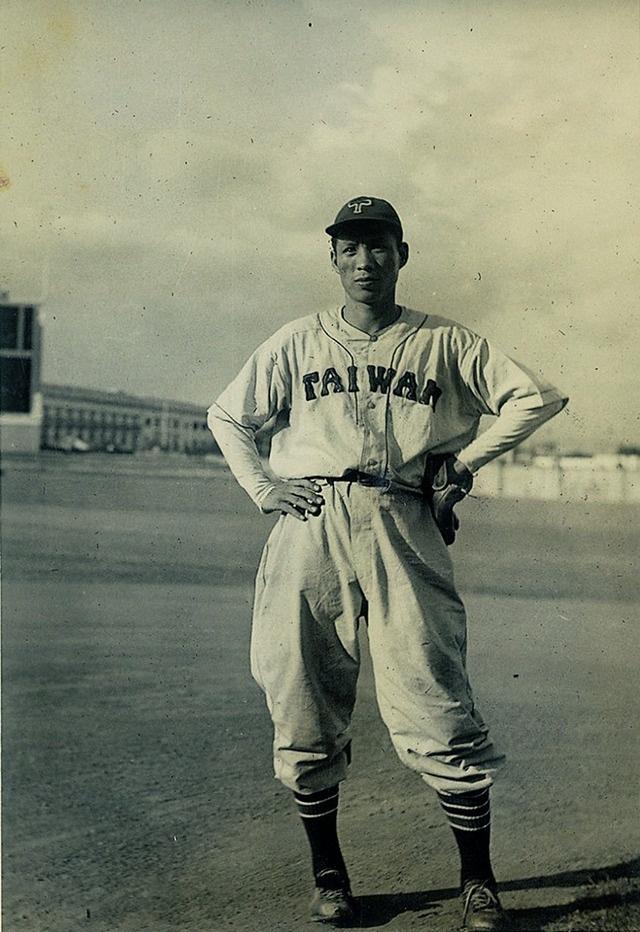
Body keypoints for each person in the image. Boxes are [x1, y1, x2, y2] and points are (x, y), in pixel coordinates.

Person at [208, 196, 568, 929]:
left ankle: (478, 882)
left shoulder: (444, 341)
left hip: (403, 515)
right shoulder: (296, 341)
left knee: (436, 696)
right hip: (312, 522)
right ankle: (330, 876)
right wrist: (266, 488)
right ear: (333, 258)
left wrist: (463, 464)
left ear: (401, 254)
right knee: (301, 696)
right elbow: (228, 415)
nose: (364, 261)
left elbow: (536, 397)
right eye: (350, 248)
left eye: (378, 246)